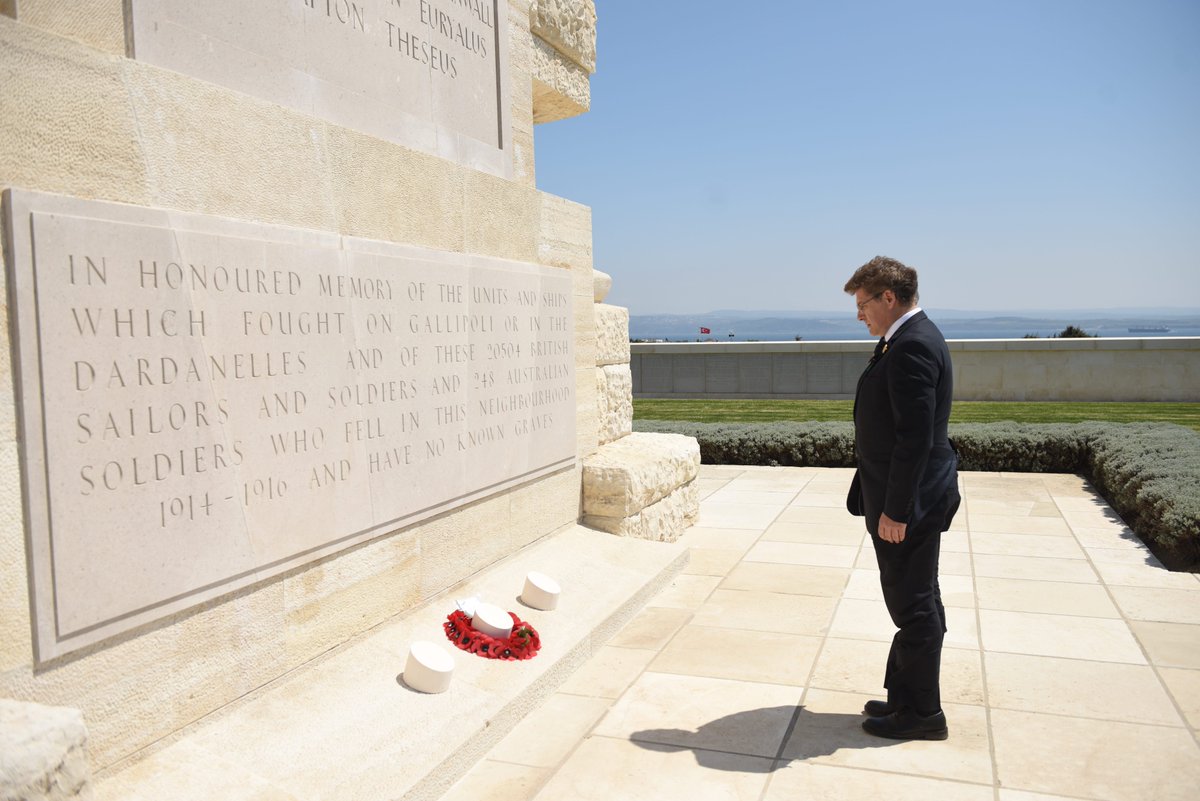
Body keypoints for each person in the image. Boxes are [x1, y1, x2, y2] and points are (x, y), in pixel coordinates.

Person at [844, 255, 960, 741]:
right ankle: (905, 697)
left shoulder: (912, 346)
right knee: (917, 600)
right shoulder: (905, 340)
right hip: (908, 497)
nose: (860, 315)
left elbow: (913, 440)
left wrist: (895, 510)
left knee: (913, 606)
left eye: (863, 304)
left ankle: (923, 714)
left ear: (888, 298)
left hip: (908, 505)